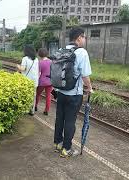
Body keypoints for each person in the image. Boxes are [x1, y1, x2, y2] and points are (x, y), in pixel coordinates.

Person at [54, 27, 93, 158]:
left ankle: (58, 143)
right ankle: (67, 149)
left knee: (60, 118)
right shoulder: (82, 52)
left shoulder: (61, 50)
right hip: (74, 94)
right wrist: (89, 88)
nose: (85, 40)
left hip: (60, 91)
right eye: (84, 37)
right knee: (70, 121)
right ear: (78, 38)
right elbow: (85, 75)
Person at [16, 45, 39, 115]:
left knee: (25, 94)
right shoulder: (36, 59)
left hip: (27, 80)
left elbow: (22, 69)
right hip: (34, 80)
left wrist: (18, 66)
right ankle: (32, 111)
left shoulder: (25, 59)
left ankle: (25, 109)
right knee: (33, 95)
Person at [35, 48, 52, 116]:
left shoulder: (40, 62)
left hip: (41, 82)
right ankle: (46, 110)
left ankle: (35, 106)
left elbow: (39, 73)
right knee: (48, 96)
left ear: (39, 54)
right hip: (50, 81)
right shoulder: (51, 62)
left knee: (37, 94)